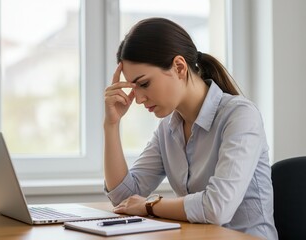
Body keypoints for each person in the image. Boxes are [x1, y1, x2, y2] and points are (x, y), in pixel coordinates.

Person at [103, 17, 278, 239]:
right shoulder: (167, 128)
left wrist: (149, 206)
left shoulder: (240, 115)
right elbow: (123, 198)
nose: (137, 99)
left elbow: (217, 208)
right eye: (133, 88)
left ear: (179, 67)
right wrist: (111, 124)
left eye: (144, 84)